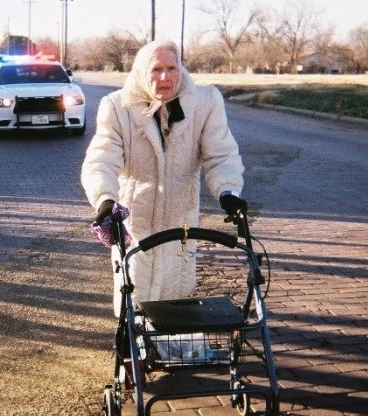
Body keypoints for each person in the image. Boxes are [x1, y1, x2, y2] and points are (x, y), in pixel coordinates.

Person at [81, 38, 246, 312]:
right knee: (132, 296)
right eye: (156, 70)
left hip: (181, 223)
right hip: (136, 222)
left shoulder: (205, 103)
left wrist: (228, 191)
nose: (165, 77)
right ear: (142, 71)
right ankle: (130, 348)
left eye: (172, 68)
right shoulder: (117, 107)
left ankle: (173, 350)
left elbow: (222, 154)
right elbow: (102, 158)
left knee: (177, 300)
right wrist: (105, 198)